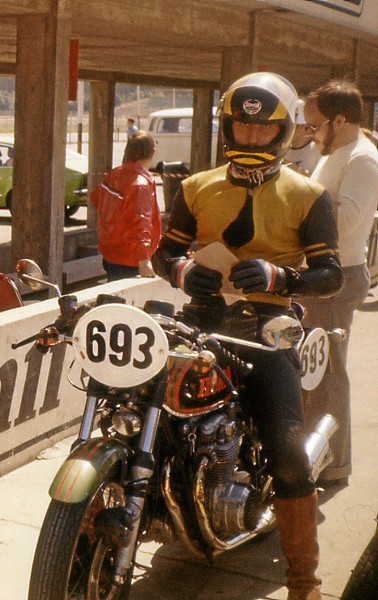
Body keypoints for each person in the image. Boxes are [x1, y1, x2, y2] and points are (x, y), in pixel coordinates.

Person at [153, 72, 342, 600]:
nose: (251, 135)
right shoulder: (195, 186)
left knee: (286, 448)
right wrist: (182, 271)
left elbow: (332, 276)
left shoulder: (309, 196)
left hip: (269, 328)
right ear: (227, 127)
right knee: (145, 405)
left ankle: (304, 581)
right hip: (201, 320)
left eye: (263, 128)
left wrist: (283, 277)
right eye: (242, 125)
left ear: (282, 132)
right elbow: (165, 251)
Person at [299, 81, 378, 487]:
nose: (309, 134)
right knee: (312, 371)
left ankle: (336, 464)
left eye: (314, 126)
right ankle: (318, 455)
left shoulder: (363, 160)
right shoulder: (332, 151)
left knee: (328, 374)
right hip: (320, 275)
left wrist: (304, 196)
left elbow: (345, 223)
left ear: (340, 120)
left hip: (340, 276)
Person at [90, 131, 160, 281]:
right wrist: (144, 260)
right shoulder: (140, 185)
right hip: (131, 259)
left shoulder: (115, 174)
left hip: (110, 254)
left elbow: (95, 198)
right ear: (150, 153)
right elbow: (140, 223)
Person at [283, 100, 322, 177]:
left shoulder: (319, 148)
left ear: (303, 126)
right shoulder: (279, 147)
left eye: (293, 126)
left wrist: (295, 169)